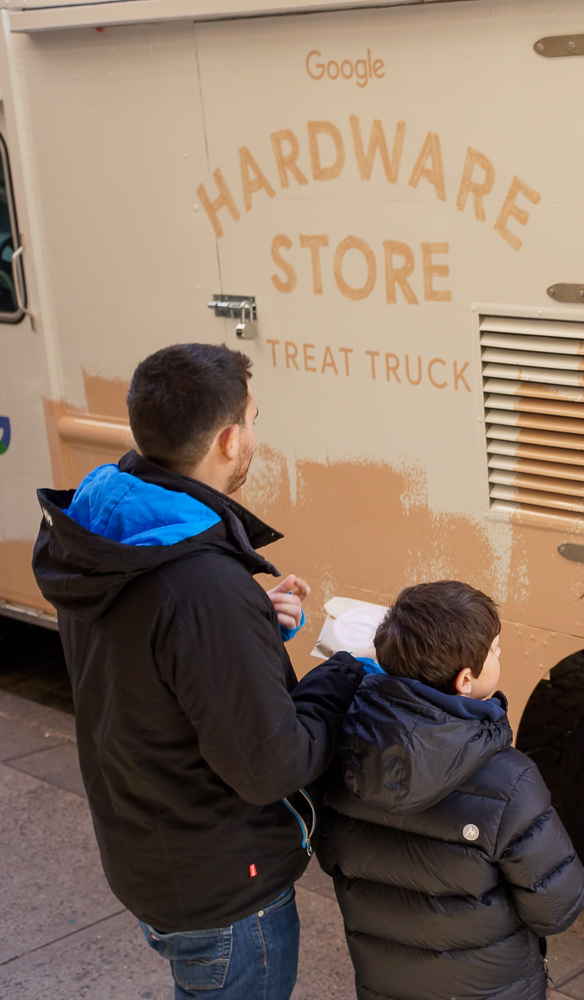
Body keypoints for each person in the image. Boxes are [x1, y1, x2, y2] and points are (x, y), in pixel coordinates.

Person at [31, 343, 364, 1000]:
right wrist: (343, 676)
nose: (254, 437)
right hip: (224, 889)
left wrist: (251, 624)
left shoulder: (102, 528)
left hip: (150, 850)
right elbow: (270, 766)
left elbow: (148, 656)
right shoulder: (201, 584)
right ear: (229, 439)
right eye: (254, 421)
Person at [317, 581, 584, 1000]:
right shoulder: (511, 781)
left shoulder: (342, 754)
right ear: (465, 680)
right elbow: (556, 908)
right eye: (494, 650)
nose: (499, 655)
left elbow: (331, 856)